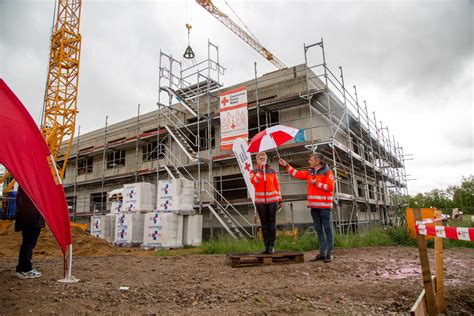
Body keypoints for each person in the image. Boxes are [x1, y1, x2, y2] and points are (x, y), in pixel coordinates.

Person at [279, 153, 335, 262]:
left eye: (311, 160)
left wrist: (317, 183)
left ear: (318, 161)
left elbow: (330, 187)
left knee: (327, 229)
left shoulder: (328, 172)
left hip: (324, 206)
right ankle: (322, 253)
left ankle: (329, 253)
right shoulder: (310, 172)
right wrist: (286, 165)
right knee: (319, 229)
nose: (309, 161)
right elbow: (297, 174)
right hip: (314, 206)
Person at [250, 152, 282, 254]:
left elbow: (276, 185)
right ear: (257, 160)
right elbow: (255, 182)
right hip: (260, 201)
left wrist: (280, 199)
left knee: (272, 223)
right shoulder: (253, 171)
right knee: (264, 224)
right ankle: (266, 246)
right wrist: (261, 171)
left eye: (264, 158)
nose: (263, 160)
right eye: (261, 158)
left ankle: (272, 246)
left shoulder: (271, 170)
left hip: (272, 200)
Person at [15, 186, 44, 279]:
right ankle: (26, 269)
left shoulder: (24, 187)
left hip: (29, 220)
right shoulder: (30, 188)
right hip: (33, 221)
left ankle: (22, 269)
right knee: (29, 245)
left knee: (27, 244)